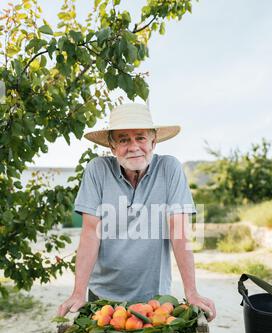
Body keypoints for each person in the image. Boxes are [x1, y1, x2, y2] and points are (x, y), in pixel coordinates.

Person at [58, 102, 216, 320]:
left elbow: (179, 232)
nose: (133, 147)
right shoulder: (97, 170)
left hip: (155, 298)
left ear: (153, 141)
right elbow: (89, 234)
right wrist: (78, 292)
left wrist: (192, 292)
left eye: (140, 137)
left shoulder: (170, 168)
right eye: (123, 139)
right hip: (103, 297)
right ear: (112, 147)